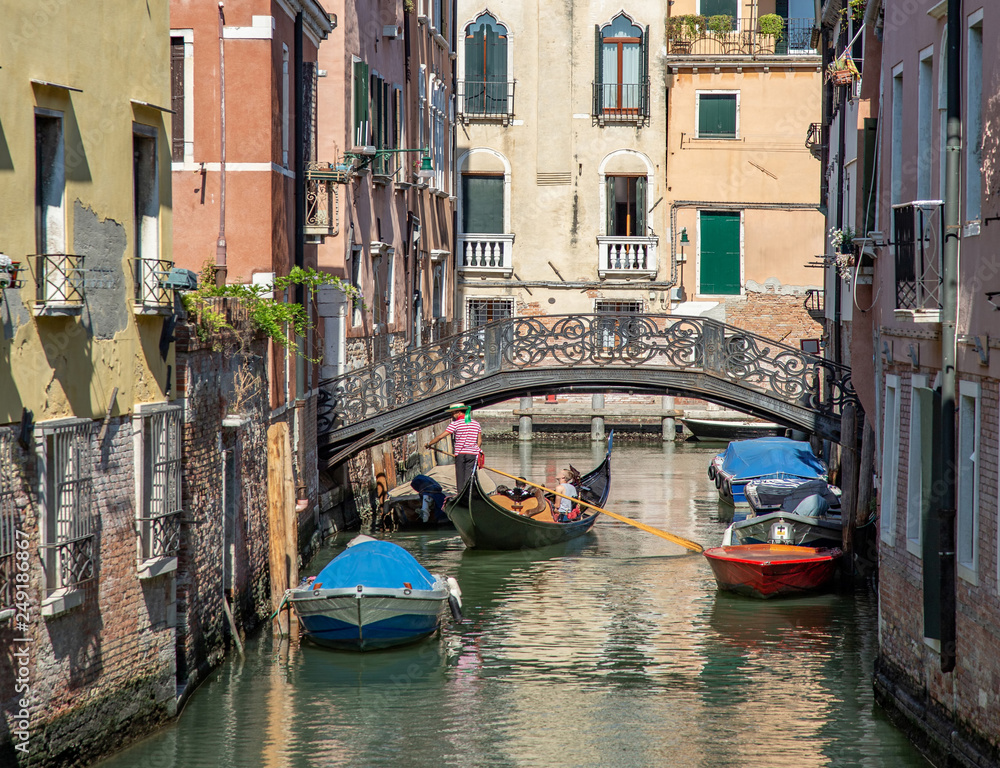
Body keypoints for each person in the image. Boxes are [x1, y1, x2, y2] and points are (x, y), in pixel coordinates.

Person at [425, 403, 482, 495]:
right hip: (473, 454)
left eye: (453, 413)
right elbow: (479, 441)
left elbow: (440, 437)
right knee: (469, 476)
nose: (452, 415)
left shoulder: (455, 424)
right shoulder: (476, 424)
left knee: (460, 477)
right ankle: (469, 494)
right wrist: (475, 449)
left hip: (460, 454)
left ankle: (461, 495)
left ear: (458, 412)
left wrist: (429, 444)